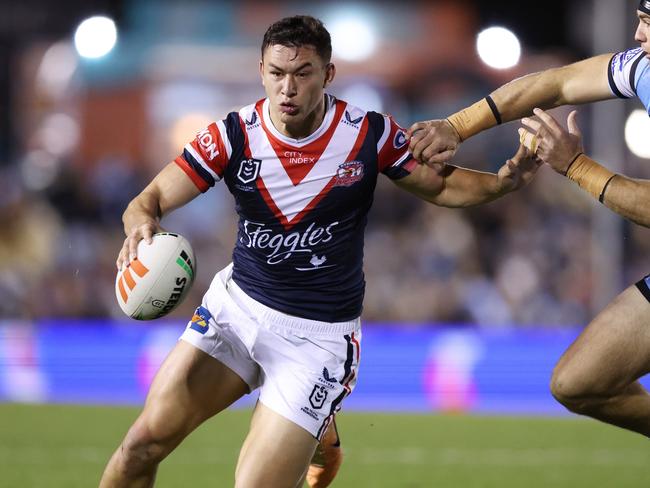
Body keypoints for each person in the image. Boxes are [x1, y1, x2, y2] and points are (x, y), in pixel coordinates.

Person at [99, 15, 540, 488]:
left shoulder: (368, 134)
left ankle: (313, 426)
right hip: (235, 311)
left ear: (328, 74)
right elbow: (148, 200)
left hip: (315, 342)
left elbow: (442, 186)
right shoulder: (233, 135)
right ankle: (318, 433)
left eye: (302, 73)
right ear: (261, 71)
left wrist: (503, 183)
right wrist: (141, 222)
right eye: (276, 73)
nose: (287, 88)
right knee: (139, 447)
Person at [407, 0, 650, 439]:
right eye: (639, 21)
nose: (637, 35)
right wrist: (456, 126)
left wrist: (576, 166)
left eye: (649, 25)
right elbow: (553, 84)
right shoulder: (643, 68)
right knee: (579, 383)